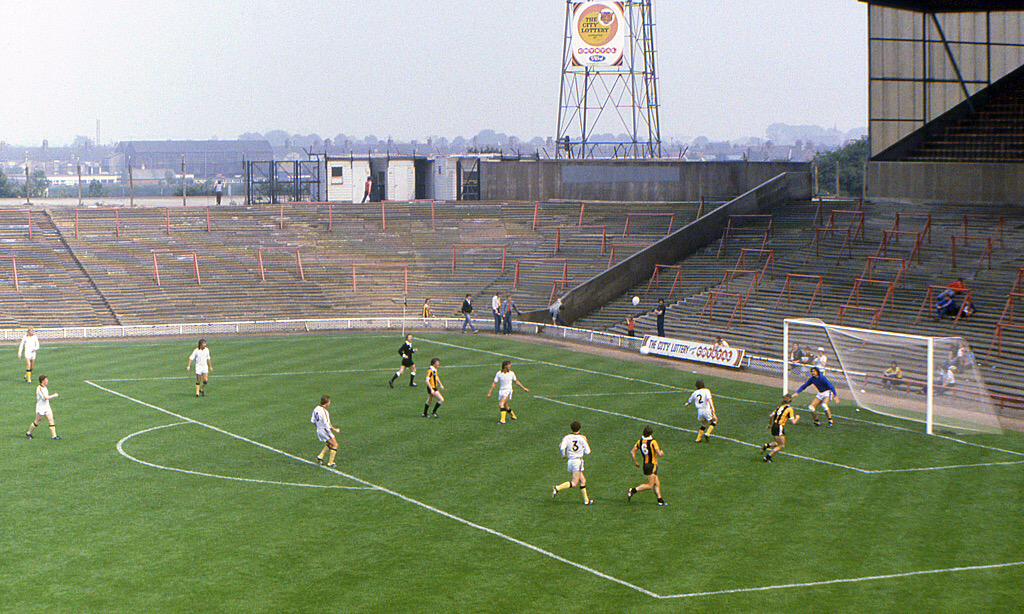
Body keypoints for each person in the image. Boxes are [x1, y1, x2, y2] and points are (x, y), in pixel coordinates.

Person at [552, 421, 593, 505]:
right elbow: (588, 451)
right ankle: (557, 488)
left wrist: (564, 455)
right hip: (577, 461)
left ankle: (586, 500)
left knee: (583, 480)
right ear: (580, 428)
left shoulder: (567, 437)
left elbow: (562, 447)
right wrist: (581, 450)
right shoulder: (582, 438)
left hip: (570, 461)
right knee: (574, 483)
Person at [628, 426, 666, 506]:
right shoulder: (653, 442)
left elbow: (632, 451)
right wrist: (662, 453)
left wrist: (636, 461)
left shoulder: (640, 441)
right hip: (652, 465)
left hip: (645, 465)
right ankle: (633, 490)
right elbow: (659, 454)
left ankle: (660, 500)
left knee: (657, 482)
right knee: (650, 485)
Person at [487, 360, 530, 424]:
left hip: (508, 391)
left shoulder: (511, 373)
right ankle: (513, 416)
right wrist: (490, 392)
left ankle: (503, 420)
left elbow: (516, 381)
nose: (510, 366)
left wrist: (524, 388)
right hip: (501, 391)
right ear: (505, 366)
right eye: (509, 365)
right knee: (506, 406)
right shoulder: (499, 373)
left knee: (501, 404)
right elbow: (494, 383)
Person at [761, 395, 799, 463]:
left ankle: (767, 445)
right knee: (781, 445)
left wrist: (770, 425)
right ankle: (767, 457)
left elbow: (771, 416)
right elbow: (793, 422)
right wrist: (797, 418)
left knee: (778, 443)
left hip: (774, 426)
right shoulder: (790, 409)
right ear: (791, 400)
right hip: (779, 427)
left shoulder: (779, 407)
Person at [26, 375, 60, 440]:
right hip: (40, 408)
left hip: (47, 407)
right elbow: (45, 398)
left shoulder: (45, 387)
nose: (47, 381)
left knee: (51, 420)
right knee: (37, 421)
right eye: (46, 380)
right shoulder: (39, 388)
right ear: (43, 381)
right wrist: (54, 395)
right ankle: (29, 433)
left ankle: (54, 436)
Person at [311, 395, 339, 468]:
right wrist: (335, 429)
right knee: (335, 444)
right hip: (325, 430)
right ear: (326, 403)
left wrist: (319, 427)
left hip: (319, 430)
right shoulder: (325, 412)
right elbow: (327, 424)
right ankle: (331, 463)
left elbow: (313, 421)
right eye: (329, 402)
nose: (330, 404)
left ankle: (320, 457)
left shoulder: (316, 409)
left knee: (329, 444)